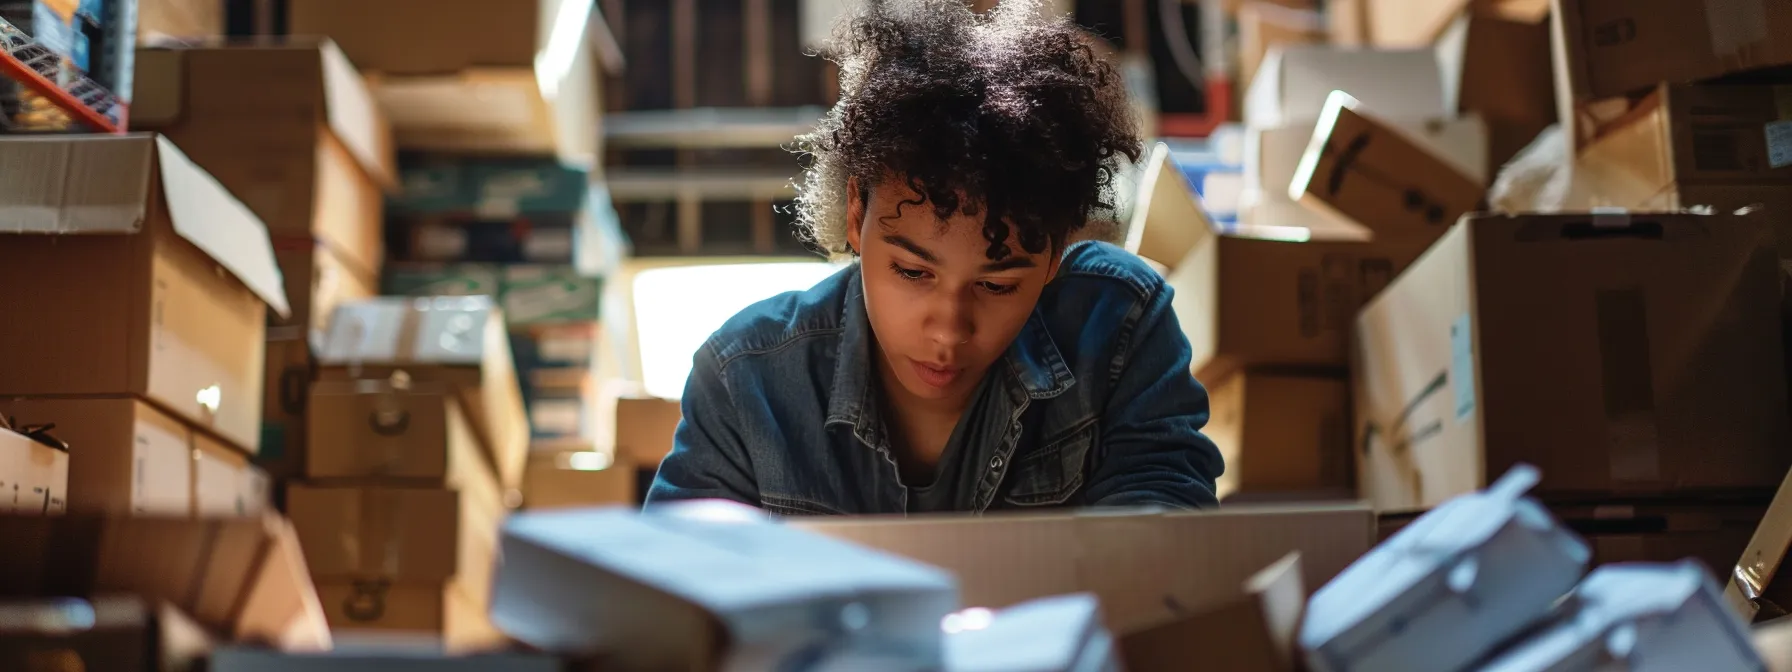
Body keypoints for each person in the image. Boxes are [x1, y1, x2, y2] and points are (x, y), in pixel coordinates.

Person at [645, 0, 1223, 514]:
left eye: (996, 286)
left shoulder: (1118, 330)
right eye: (912, 271)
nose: (948, 329)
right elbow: (676, 595)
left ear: (1053, 257)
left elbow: (1163, 548)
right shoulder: (747, 381)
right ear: (855, 215)